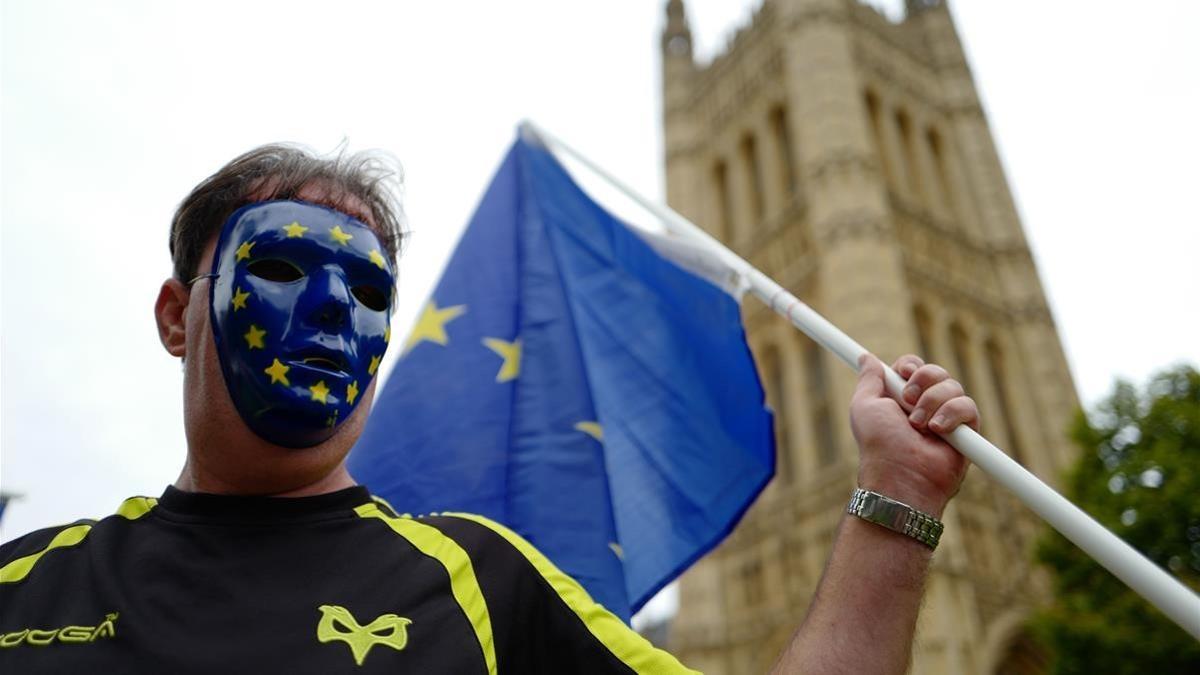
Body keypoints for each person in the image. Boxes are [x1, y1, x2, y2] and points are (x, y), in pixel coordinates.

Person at [0, 145, 978, 674]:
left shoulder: (483, 579)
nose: (336, 307)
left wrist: (898, 499)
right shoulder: (25, 586)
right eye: (286, 266)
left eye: (370, 288)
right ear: (179, 316)